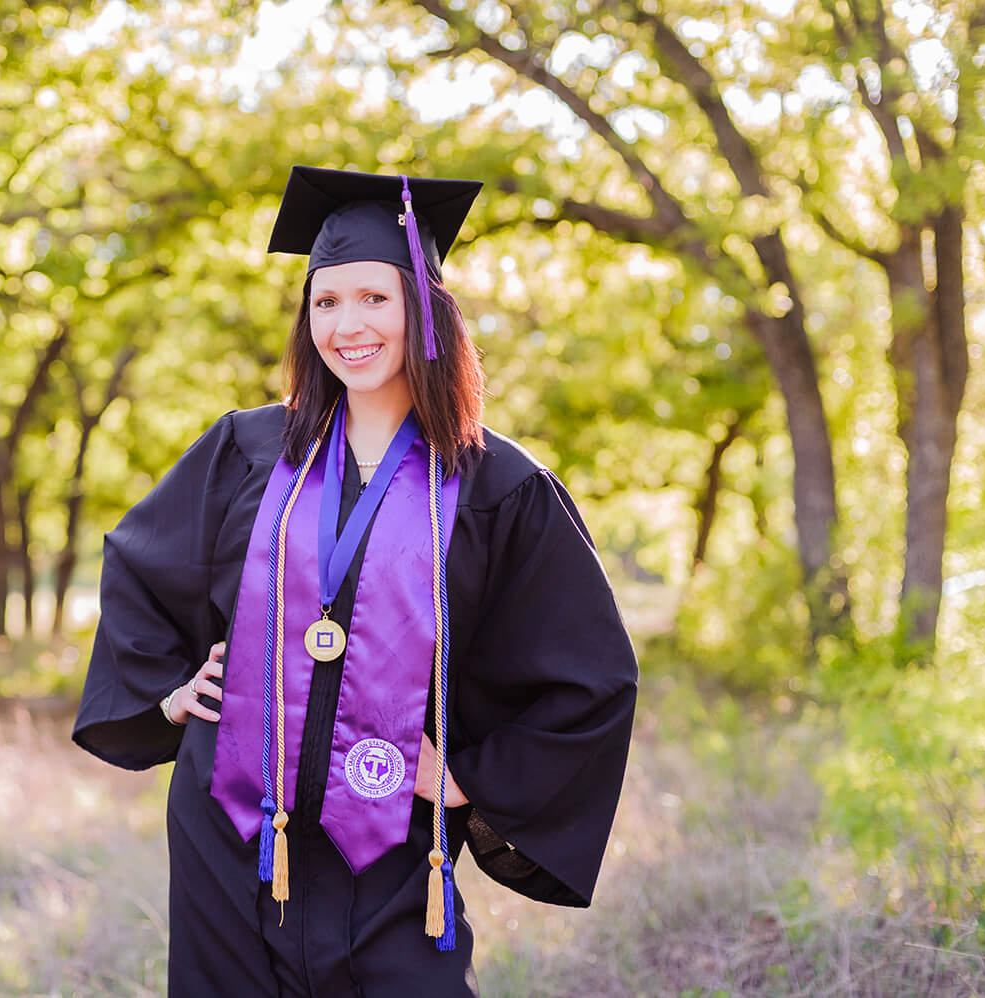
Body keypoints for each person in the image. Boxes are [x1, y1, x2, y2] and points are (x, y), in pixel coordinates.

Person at [72, 165, 639, 997]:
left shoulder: (496, 486)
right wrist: (168, 692)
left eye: (375, 298)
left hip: (392, 847)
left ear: (423, 308)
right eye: (326, 302)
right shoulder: (247, 451)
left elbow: (589, 672)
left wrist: (467, 777)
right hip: (230, 834)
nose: (349, 325)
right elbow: (137, 562)